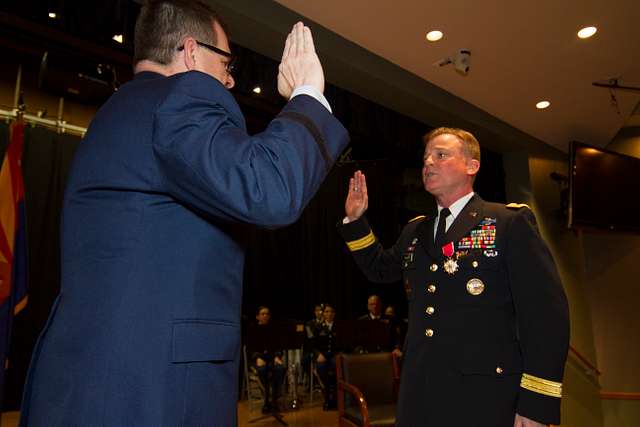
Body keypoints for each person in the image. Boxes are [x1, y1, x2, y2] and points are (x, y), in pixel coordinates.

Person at [19, 1, 349, 425]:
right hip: (153, 391)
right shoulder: (180, 96)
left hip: (96, 381)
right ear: (192, 53)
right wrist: (309, 94)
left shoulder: (119, 112)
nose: (229, 80)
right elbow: (268, 188)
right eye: (226, 62)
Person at [338, 127, 569, 426]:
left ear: (472, 166)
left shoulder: (507, 222)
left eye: (441, 155)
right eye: (425, 159)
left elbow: (545, 315)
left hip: (484, 396)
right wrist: (355, 220)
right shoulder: (416, 231)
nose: (429, 163)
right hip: (419, 393)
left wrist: (537, 403)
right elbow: (380, 268)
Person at [249, 306, 286, 414]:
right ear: (257, 316)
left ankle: (274, 399)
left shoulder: (274, 329)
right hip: (258, 359)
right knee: (262, 370)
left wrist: (277, 356)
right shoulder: (252, 329)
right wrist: (258, 357)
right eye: (263, 314)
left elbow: (279, 346)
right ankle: (267, 400)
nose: (265, 316)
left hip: (271, 358)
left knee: (280, 368)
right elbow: (249, 349)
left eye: (267, 314)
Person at [312, 303, 338, 410]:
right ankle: (327, 396)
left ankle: (335, 397)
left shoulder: (339, 326)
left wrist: (339, 353)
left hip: (335, 355)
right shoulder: (318, 327)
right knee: (321, 367)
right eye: (327, 311)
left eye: (331, 311)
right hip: (322, 355)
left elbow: (345, 343)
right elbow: (312, 345)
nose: (329, 314)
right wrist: (318, 354)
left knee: (336, 365)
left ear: (334, 314)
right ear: (323, 313)